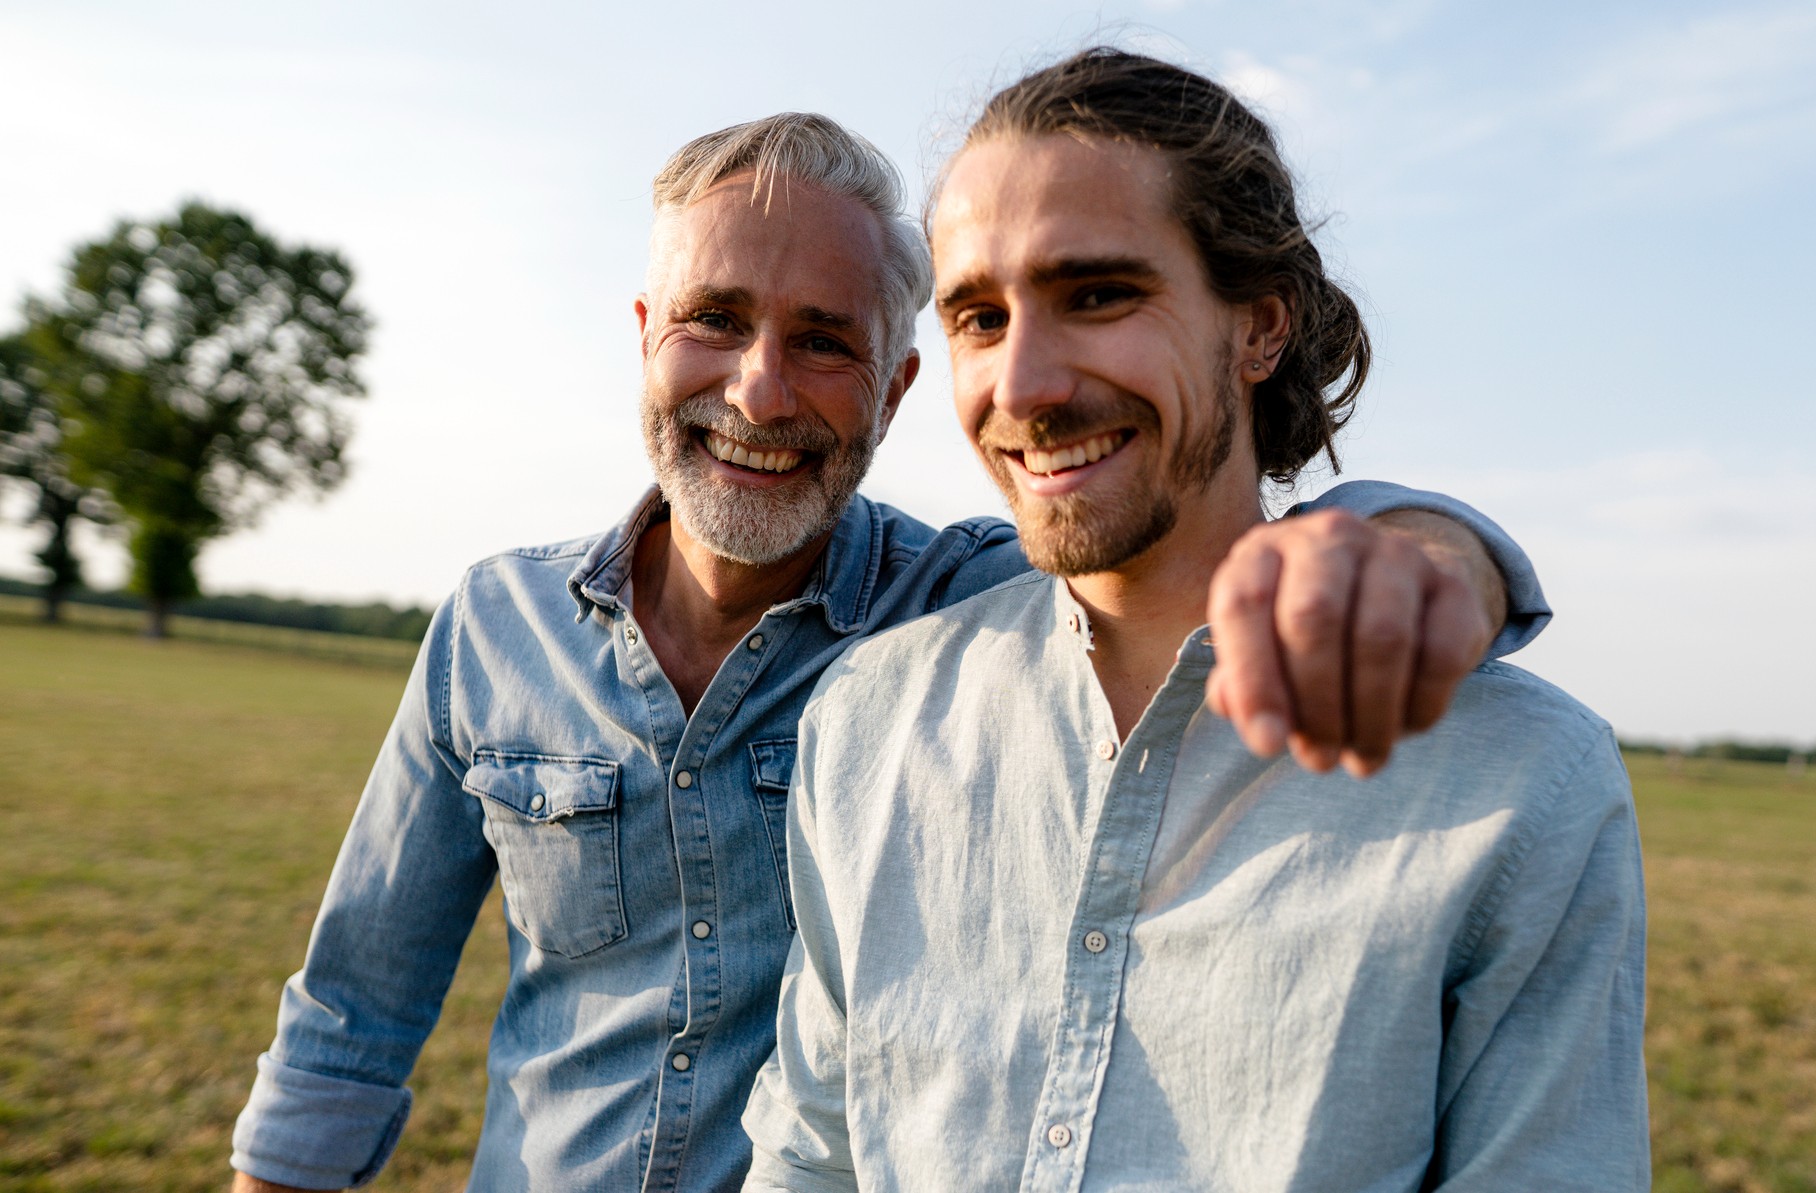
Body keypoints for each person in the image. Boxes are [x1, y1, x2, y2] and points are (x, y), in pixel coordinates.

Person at [228, 111, 1553, 1192]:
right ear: (644, 334)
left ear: (900, 385)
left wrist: (1426, 544)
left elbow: (1190, 546)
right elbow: (353, 1012)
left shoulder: (962, 611)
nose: (759, 390)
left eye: (822, 343)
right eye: (716, 321)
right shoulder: (490, 626)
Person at [741, 50, 1650, 1193]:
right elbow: (812, 1152)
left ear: (1258, 327)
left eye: (1098, 294)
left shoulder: (1520, 777)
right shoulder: (867, 721)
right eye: (978, 315)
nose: (1020, 385)